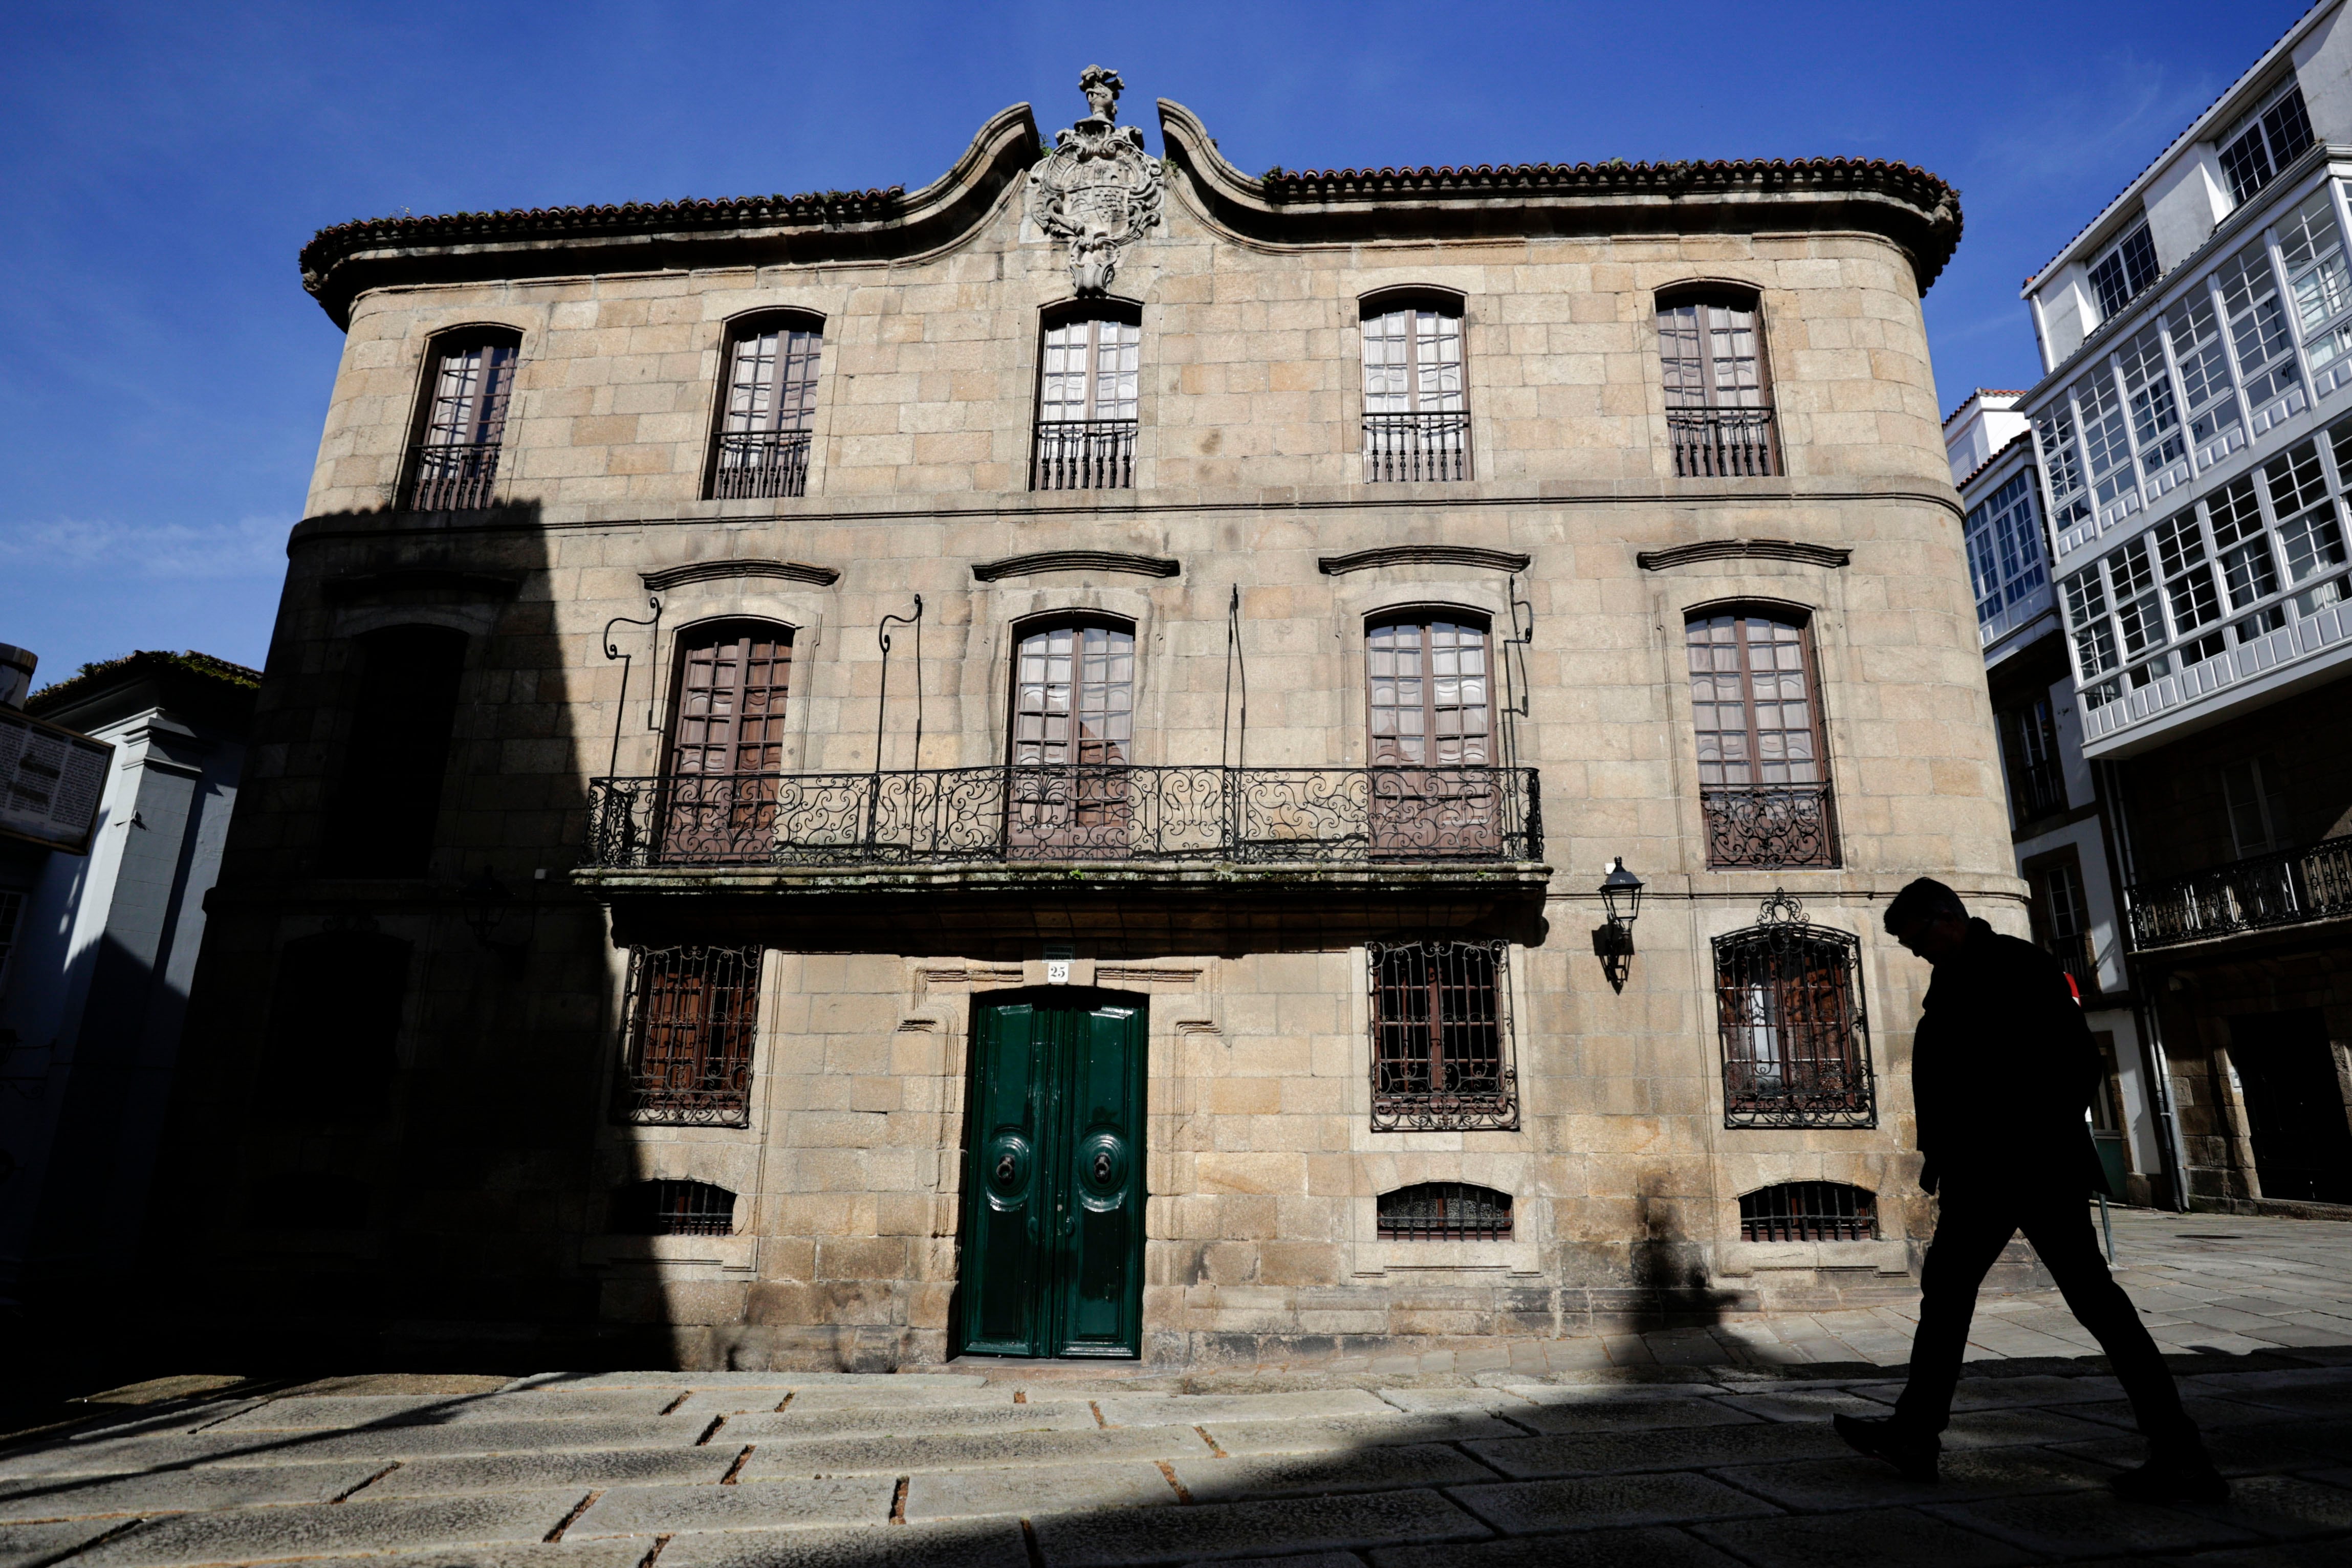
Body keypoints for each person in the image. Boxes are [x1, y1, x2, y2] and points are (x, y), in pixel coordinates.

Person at [1833, 877, 2226, 1502]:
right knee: (1955, 1293)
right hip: (1988, 1170)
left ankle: (2180, 1453)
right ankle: (1915, 1432)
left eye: (1915, 939)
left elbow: (2077, 1064)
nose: (1914, 952)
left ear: (1946, 919)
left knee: (2091, 1302)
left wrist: (2022, 1136)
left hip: (2024, 1168)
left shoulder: (2019, 966)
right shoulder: (1961, 972)